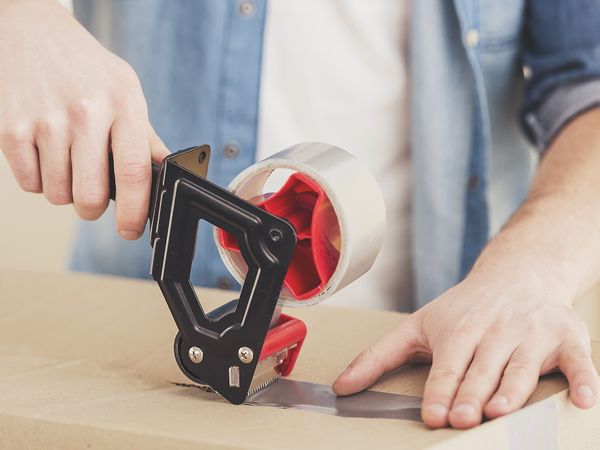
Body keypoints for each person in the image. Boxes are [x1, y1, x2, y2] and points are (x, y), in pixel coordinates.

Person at [1, 0, 599, 429]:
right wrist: (19, 20)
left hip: (428, 335)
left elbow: (587, 87)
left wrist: (526, 275)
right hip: (123, 338)